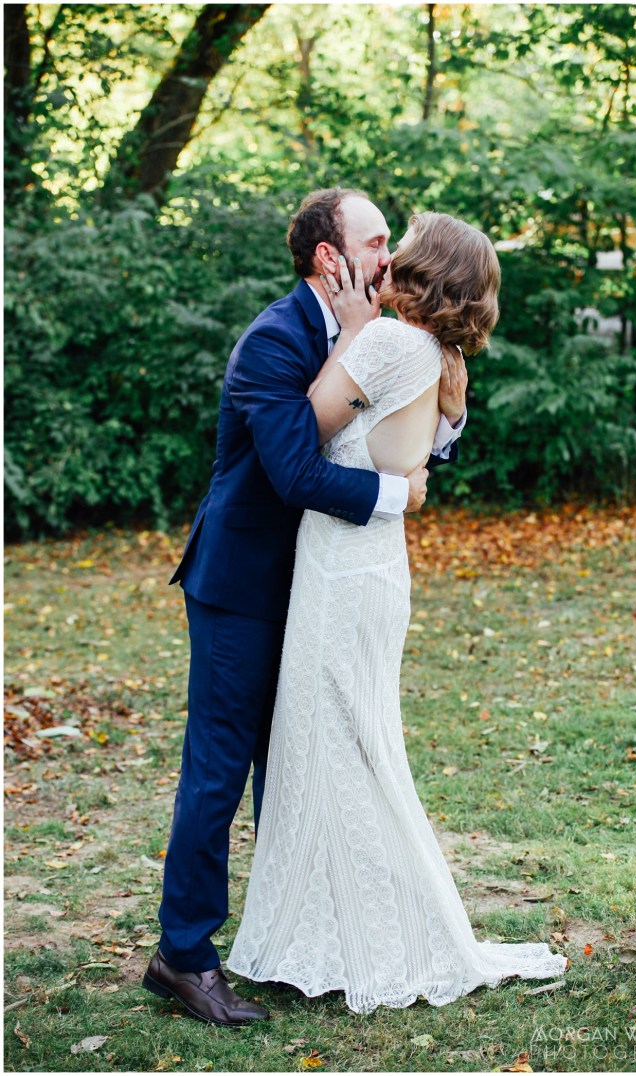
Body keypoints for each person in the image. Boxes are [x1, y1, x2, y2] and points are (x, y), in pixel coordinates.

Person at [226, 212, 569, 1014]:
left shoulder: (386, 342)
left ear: (427, 263)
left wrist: (351, 331)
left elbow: (303, 430)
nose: (393, 249)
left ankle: (358, 936)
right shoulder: (440, 355)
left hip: (343, 571)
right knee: (350, 745)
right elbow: (418, 453)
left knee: (334, 748)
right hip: (376, 567)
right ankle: (327, 929)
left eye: (405, 238)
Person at [143, 189, 469, 1027]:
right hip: (243, 585)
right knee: (220, 768)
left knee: (295, 765)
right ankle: (183, 955)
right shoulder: (274, 340)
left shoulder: (378, 332)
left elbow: (396, 427)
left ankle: (294, 935)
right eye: (376, 241)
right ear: (331, 257)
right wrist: (400, 496)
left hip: (320, 585)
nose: (390, 257)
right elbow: (293, 474)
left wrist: (442, 416)